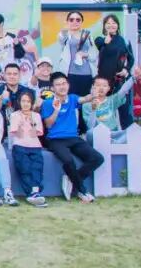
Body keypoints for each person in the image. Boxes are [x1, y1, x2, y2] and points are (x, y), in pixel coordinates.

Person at [41, 72, 102, 203]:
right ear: (52, 88)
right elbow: (48, 124)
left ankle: (71, 179)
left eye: (64, 83)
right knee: (68, 161)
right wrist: (56, 110)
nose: (62, 87)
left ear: (68, 84)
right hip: (55, 139)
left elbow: (84, 99)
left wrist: (93, 95)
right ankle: (82, 191)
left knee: (97, 158)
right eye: (58, 84)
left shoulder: (72, 99)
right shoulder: (48, 103)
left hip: (73, 138)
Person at [94, 14, 136, 128]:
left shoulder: (124, 40)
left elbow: (131, 59)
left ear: (118, 25)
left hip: (120, 81)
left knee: (125, 110)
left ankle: (128, 133)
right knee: (104, 111)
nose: (111, 25)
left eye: (114, 23)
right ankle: (104, 133)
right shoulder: (99, 39)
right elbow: (99, 44)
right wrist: (105, 41)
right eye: (108, 23)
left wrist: (126, 70)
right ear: (104, 26)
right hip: (104, 83)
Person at [9, 91, 47, 207]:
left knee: (37, 168)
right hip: (20, 145)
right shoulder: (14, 115)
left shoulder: (36, 116)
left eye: (28, 101)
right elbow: (18, 134)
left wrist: (32, 123)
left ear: (32, 103)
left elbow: (34, 134)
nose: (26, 104)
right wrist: (20, 122)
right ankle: (32, 194)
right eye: (23, 101)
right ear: (19, 102)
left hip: (35, 146)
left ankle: (35, 192)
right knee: (24, 168)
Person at [83, 74, 138, 142]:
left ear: (108, 88)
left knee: (131, 133)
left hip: (112, 133)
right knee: (90, 133)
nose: (101, 88)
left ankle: (114, 142)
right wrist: (93, 109)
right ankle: (115, 143)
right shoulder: (86, 105)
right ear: (92, 87)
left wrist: (133, 78)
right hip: (97, 135)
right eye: (98, 85)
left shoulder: (112, 100)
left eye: (104, 86)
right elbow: (90, 126)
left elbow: (123, 91)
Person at [0, 13, 31, 85]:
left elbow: (20, 55)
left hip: (12, 76)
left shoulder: (11, 37)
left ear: (1, 24)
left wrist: (17, 45)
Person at [57, 11, 95, 98]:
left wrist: (86, 55)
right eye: (71, 20)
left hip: (87, 73)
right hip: (70, 73)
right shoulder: (65, 34)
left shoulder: (88, 35)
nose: (75, 22)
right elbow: (61, 39)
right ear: (67, 21)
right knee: (71, 100)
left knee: (86, 100)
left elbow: (94, 55)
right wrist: (69, 30)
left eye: (78, 20)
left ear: (82, 22)